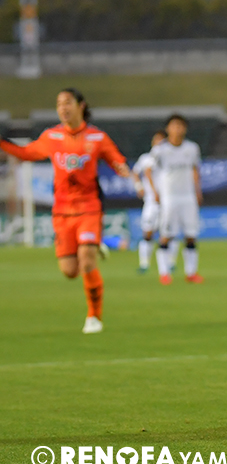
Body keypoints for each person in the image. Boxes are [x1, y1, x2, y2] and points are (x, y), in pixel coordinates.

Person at [0, 89, 135, 334]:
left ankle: (94, 317)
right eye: (59, 104)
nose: (63, 108)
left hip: (89, 208)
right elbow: (26, 153)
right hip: (62, 211)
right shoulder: (51, 136)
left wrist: (123, 169)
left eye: (68, 103)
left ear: (81, 106)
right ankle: (96, 245)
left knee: (87, 262)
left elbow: (116, 158)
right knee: (70, 271)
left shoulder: (96, 137)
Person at [151, 114, 204, 285]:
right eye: (174, 126)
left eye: (180, 126)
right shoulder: (160, 150)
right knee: (166, 235)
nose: (177, 129)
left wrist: (197, 191)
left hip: (188, 196)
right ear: (168, 129)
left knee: (191, 235)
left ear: (185, 129)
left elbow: (195, 169)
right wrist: (155, 191)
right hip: (169, 197)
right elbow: (149, 170)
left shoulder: (192, 148)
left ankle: (191, 272)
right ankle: (164, 273)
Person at [133, 129, 166, 274]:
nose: (159, 143)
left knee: (167, 233)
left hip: (167, 200)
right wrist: (139, 187)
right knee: (147, 232)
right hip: (152, 201)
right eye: (156, 140)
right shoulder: (146, 158)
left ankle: (169, 264)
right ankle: (144, 263)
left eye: (162, 141)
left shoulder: (169, 158)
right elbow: (136, 173)